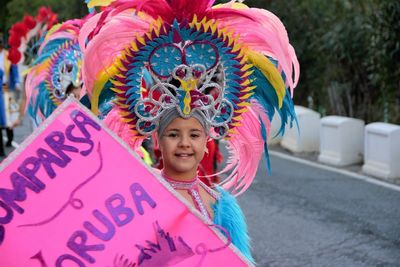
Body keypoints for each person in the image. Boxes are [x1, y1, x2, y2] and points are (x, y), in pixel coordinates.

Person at [80, 0, 299, 263]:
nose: (184, 143)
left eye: (194, 135)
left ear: (208, 142)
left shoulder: (221, 206)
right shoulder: (137, 198)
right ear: (157, 141)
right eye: (173, 134)